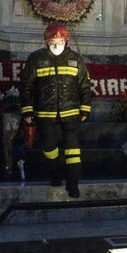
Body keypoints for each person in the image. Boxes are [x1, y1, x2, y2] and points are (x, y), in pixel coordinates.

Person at [19, 22, 92, 198]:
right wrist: (27, 111)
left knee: (73, 150)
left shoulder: (76, 59)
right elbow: (26, 86)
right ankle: (55, 175)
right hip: (45, 112)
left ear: (66, 41)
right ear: (46, 42)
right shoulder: (35, 59)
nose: (56, 45)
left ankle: (73, 184)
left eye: (60, 41)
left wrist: (85, 108)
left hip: (70, 112)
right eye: (53, 41)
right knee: (49, 148)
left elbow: (84, 85)